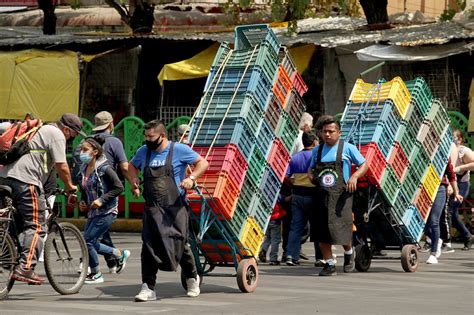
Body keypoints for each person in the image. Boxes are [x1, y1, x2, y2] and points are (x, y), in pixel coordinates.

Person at [127, 119, 209, 302]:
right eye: (146, 136)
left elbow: (203, 163)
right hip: (152, 208)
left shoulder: (178, 150)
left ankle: (191, 277)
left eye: (151, 136)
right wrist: (134, 182)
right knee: (148, 246)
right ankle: (148, 287)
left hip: (175, 207)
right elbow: (131, 167)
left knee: (179, 244)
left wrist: (192, 178)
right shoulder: (143, 152)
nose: (147, 140)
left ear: (162, 136)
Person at [0, 113, 83, 284]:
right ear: (66, 129)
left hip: (4, 177)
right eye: (73, 135)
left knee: (16, 223)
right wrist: (70, 187)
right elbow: (62, 166)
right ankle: (25, 267)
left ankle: (9, 253)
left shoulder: (38, 131)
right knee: (37, 225)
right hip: (25, 181)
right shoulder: (56, 133)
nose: (71, 139)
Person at [307, 116, 368, 276]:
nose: (327, 134)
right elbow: (311, 168)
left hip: (342, 197)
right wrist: (310, 175)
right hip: (321, 196)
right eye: (324, 132)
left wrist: (354, 177)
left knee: (341, 230)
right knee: (322, 231)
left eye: (331, 131)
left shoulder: (347, 148)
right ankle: (329, 264)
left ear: (339, 133)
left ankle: (349, 253)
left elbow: (364, 165)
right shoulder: (317, 150)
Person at [72, 110, 130, 273]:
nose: (83, 152)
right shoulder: (114, 142)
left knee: (92, 236)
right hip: (93, 197)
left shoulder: (85, 143)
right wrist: (134, 183)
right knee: (95, 235)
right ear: (111, 125)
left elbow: (117, 186)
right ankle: (114, 258)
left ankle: (93, 267)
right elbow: (124, 167)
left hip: (103, 199)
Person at [78, 136, 128, 283]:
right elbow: (84, 188)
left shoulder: (105, 168)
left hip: (107, 211)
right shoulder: (84, 168)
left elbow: (119, 188)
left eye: (85, 150)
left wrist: (101, 200)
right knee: (89, 242)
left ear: (95, 152)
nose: (82, 152)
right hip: (93, 211)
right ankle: (118, 254)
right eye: (81, 149)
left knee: (88, 241)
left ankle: (96, 273)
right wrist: (82, 200)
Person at [285, 131, 318, 266]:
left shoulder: (295, 157)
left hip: (297, 196)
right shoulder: (316, 156)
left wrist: (294, 183)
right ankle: (320, 257)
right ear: (314, 142)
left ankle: (291, 255)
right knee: (316, 227)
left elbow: (286, 176)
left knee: (296, 227)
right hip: (313, 196)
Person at [424, 158, 463, 264]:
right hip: (423, 187)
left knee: (434, 220)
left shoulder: (443, 152)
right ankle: (437, 241)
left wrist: (456, 192)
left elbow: (451, 174)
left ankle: (433, 254)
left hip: (439, 188)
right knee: (423, 223)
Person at [448, 129, 474, 250]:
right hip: (451, 183)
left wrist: (459, 168)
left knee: (451, 210)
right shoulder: (447, 150)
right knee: (451, 212)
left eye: (454, 137)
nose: (452, 139)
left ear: (460, 139)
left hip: (462, 184)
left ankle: (447, 240)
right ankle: (468, 236)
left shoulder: (463, 151)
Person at [258, 201, 286, 265]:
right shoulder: (277, 197)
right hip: (275, 220)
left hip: (267, 219)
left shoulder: (267, 196)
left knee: (268, 238)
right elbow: (283, 199)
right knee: (275, 240)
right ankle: (273, 259)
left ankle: (263, 250)